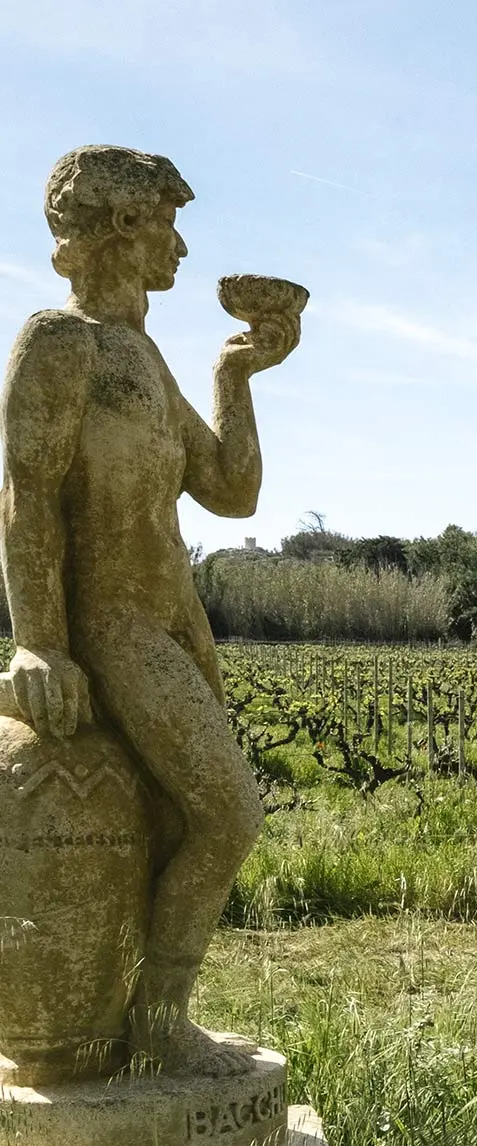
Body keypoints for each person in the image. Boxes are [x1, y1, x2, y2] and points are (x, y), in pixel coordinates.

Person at [0, 146, 299, 1070]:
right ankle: (159, 1026)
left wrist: (238, 375)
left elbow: (230, 491)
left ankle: (133, 1022)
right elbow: (26, 496)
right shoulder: (61, 344)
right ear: (126, 228)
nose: (180, 246)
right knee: (229, 815)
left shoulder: (142, 355)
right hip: (114, 628)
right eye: (168, 223)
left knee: (179, 820)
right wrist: (41, 645)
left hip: (176, 623)